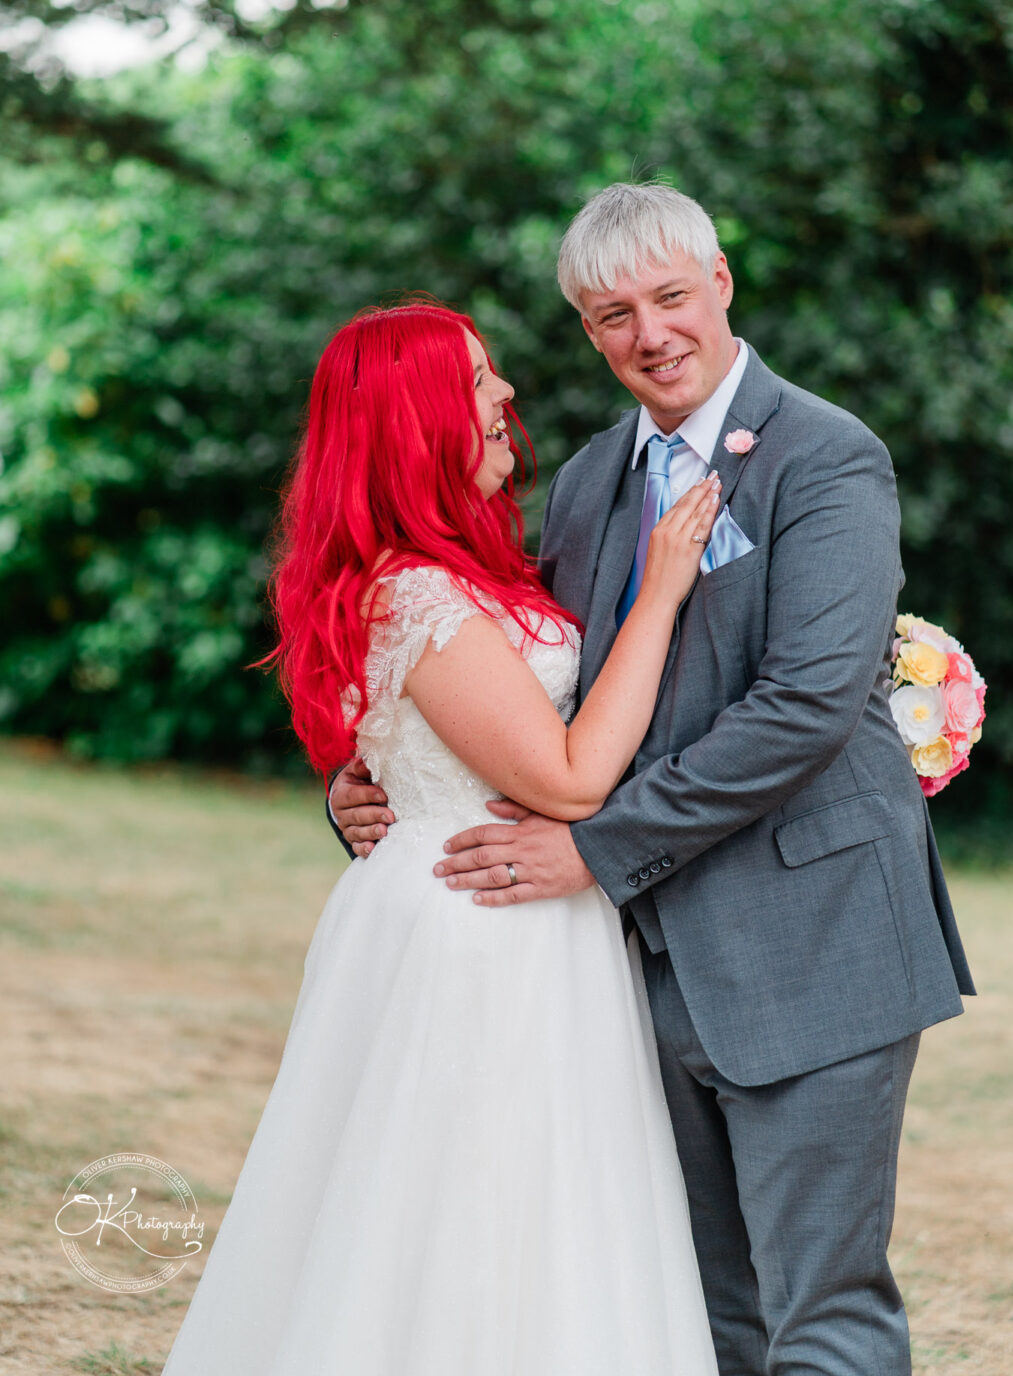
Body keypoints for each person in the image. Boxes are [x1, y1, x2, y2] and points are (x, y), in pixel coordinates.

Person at [329, 184, 976, 1376]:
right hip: (622, 975)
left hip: (811, 942)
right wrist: (370, 782)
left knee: (818, 1317)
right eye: (612, 312)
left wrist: (594, 846)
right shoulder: (582, 485)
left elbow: (804, 707)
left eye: (672, 297)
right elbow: (495, 673)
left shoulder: (827, 456)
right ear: (587, 328)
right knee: (694, 1317)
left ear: (720, 284)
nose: (650, 333)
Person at [161, 299, 721, 1375]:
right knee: (455, 1210)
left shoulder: (477, 570)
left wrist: (359, 783)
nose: (505, 393)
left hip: (524, 916)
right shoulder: (413, 590)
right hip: (476, 927)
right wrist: (660, 594)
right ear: (417, 423)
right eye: (475, 381)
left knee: (526, 1209)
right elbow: (567, 776)